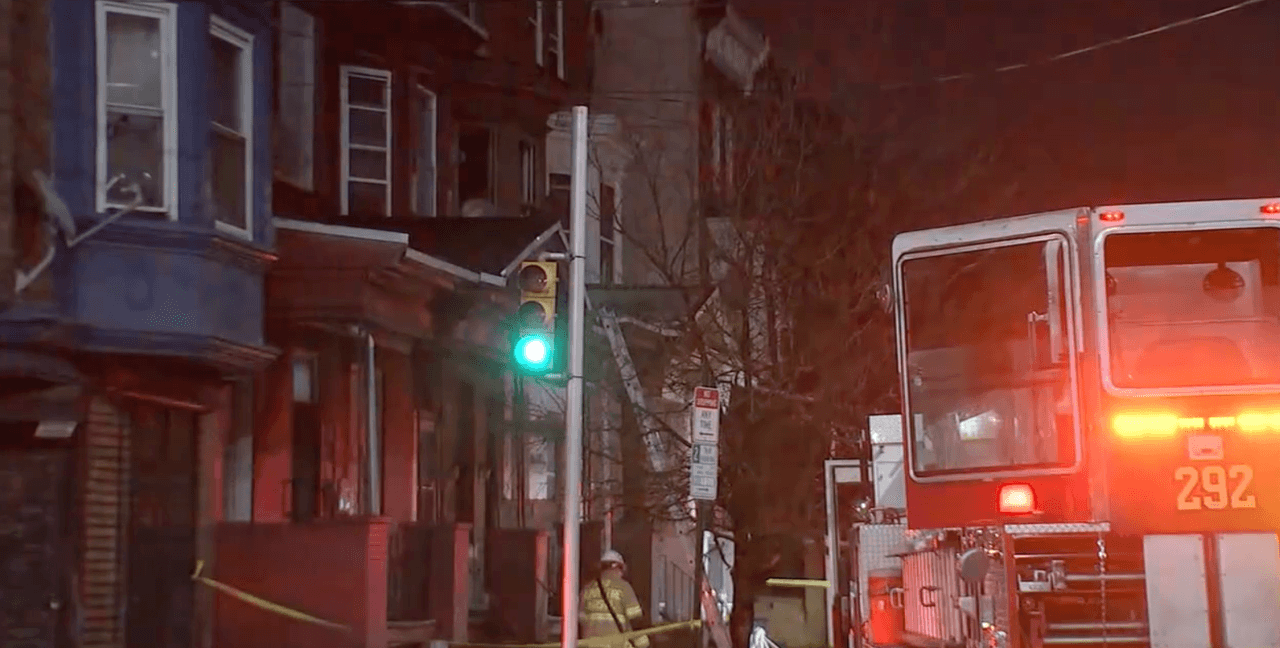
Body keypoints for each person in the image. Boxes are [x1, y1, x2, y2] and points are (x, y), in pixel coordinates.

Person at [580, 550, 649, 648]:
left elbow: (581, 621)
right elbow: (635, 619)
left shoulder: (587, 588)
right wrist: (643, 644)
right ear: (619, 567)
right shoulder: (623, 587)